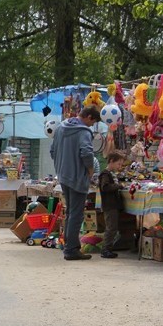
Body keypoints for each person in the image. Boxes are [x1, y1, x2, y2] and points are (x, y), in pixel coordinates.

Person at [50, 105, 99, 261]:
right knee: (76, 214)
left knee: (71, 212)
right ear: (89, 117)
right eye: (93, 122)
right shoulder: (83, 132)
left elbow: (52, 151)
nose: (92, 126)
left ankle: (69, 245)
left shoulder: (60, 128)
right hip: (77, 177)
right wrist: (90, 170)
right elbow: (86, 151)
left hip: (63, 176)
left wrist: (61, 164)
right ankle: (71, 250)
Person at [98, 151, 126, 259]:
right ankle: (105, 250)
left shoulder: (111, 174)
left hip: (113, 205)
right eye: (118, 164)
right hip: (109, 205)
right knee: (111, 228)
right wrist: (118, 186)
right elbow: (105, 187)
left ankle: (107, 249)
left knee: (112, 227)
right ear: (111, 161)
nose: (120, 166)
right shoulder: (105, 174)